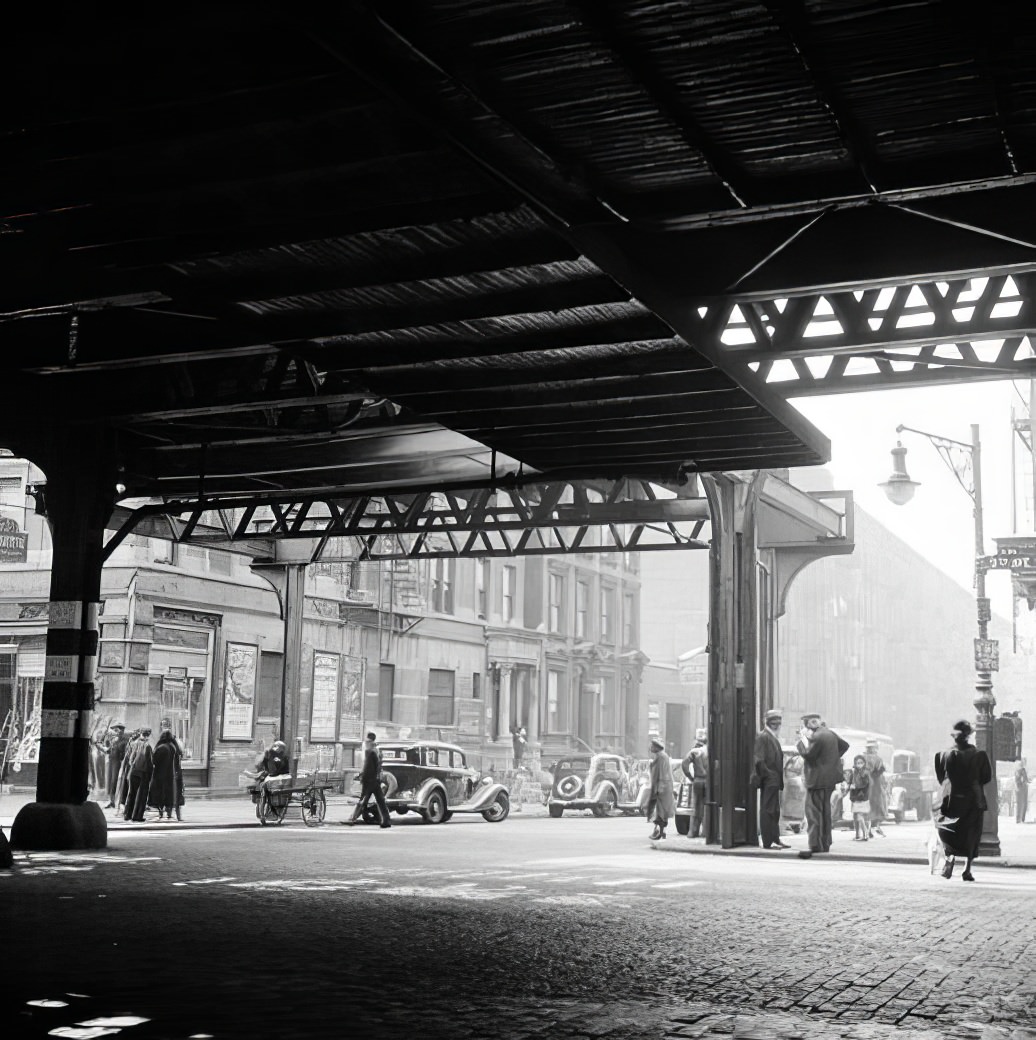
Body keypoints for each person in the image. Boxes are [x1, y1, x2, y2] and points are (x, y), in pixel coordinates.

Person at [935, 719, 992, 881]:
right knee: (971, 834)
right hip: (972, 800)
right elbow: (986, 777)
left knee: (948, 831)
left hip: (950, 800)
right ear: (969, 736)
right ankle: (967, 869)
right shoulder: (978, 756)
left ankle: (950, 859)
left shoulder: (943, 755)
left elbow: (941, 778)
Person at [796, 714, 850, 856]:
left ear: (810, 725)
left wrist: (801, 740)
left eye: (805, 726)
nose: (805, 729)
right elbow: (845, 746)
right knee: (825, 812)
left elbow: (808, 755)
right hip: (829, 779)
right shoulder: (830, 734)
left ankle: (815, 844)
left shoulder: (817, 736)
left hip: (817, 780)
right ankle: (825, 842)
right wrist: (830, 760)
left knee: (814, 813)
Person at [753, 709, 789, 850]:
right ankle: (768, 842)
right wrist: (769, 775)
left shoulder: (771, 736)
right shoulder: (763, 737)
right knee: (768, 810)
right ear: (767, 722)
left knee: (774, 810)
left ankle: (775, 838)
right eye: (774, 722)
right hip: (770, 779)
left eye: (778, 722)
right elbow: (759, 759)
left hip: (773, 779)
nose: (777, 724)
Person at [345, 732, 391, 828]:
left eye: (366, 741)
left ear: (369, 741)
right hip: (376, 780)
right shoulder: (378, 751)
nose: (365, 742)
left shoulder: (369, 751)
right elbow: (379, 766)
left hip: (369, 781)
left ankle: (352, 819)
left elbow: (367, 767)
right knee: (380, 801)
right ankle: (386, 821)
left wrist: (362, 777)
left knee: (363, 800)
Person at [147, 730, 183, 821]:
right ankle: (171, 813)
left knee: (161, 794)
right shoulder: (175, 747)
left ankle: (161, 812)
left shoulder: (161, 748)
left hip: (161, 775)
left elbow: (154, 761)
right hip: (174, 776)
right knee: (172, 795)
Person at [681, 728, 709, 838]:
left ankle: (693, 831)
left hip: (697, 780)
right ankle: (706, 832)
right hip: (708, 782)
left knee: (696, 807)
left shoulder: (694, 752)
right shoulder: (712, 752)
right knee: (708, 806)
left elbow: (684, 765)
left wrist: (690, 777)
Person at [646, 737, 675, 841]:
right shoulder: (660, 756)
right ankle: (660, 832)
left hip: (662, 787)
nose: (650, 747)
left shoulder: (662, 757)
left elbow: (663, 773)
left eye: (652, 746)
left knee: (661, 810)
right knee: (660, 810)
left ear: (656, 747)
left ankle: (659, 832)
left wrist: (660, 788)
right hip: (661, 786)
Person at [125, 728, 154, 822]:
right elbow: (149, 762)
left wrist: (133, 765)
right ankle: (137, 816)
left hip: (133, 771)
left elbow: (129, 758)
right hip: (143, 773)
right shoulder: (147, 746)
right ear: (147, 736)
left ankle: (128, 815)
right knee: (141, 795)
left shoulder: (133, 743)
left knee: (131, 793)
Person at [863, 738, 887, 837]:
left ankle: (873, 828)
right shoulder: (867, 758)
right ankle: (869, 829)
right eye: (871, 747)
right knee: (872, 805)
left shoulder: (876, 758)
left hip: (876, 785)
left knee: (876, 805)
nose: (873, 749)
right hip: (871, 784)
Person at [104, 723, 129, 808]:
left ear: (121, 730)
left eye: (116, 730)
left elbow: (124, 753)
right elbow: (108, 748)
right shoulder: (113, 739)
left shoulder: (124, 740)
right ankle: (111, 801)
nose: (115, 732)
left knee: (115, 781)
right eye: (114, 730)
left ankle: (117, 801)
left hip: (118, 762)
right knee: (110, 780)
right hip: (111, 761)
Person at [847, 755, 872, 841]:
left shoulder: (865, 772)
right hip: (855, 797)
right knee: (855, 816)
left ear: (864, 763)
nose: (859, 764)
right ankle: (857, 834)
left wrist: (855, 787)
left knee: (859, 816)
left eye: (861, 763)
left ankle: (865, 834)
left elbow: (865, 784)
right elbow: (850, 782)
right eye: (857, 763)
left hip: (862, 796)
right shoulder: (854, 773)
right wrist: (850, 786)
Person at [1014, 759, 1030, 824]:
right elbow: (1022, 780)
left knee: (1020, 804)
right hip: (1022, 788)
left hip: (1019, 788)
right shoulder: (1022, 770)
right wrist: (1024, 784)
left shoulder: (1018, 770)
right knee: (1022, 804)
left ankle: (1019, 819)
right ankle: (1020, 819)